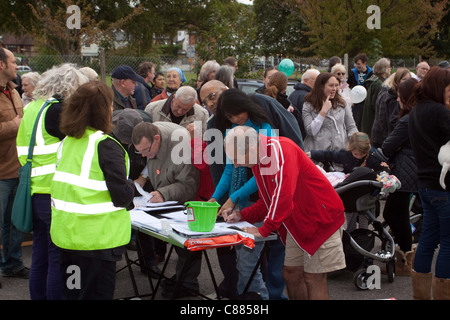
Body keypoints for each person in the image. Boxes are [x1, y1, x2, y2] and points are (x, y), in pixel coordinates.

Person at [222, 126, 346, 300]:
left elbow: (283, 196)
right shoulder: (259, 158)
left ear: (251, 149)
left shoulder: (281, 149)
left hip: (321, 219)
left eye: (236, 158)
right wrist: (243, 215)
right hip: (299, 223)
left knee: (314, 278)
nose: (235, 164)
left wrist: (263, 229)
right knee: (291, 273)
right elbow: (268, 201)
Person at [50, 81, 135, 300]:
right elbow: (122, 197)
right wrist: (133, 187)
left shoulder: (67, 142)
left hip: (67, 240)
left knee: (73, 293)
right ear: (104, 110)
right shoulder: (106, 145)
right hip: (97, 244)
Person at [16, 63, 88, 300]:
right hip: (55, 194)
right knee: (59, 257)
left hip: (35, 191)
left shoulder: (32, 108)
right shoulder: (57, 111)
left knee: (40, 255)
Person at [210, 89, 274, 300]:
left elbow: (261, 177)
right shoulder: (232, 131)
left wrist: (232, 198)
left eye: (236, 113)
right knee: (242, 263)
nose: (235, 119)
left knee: (249, 264)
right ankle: (247, 300)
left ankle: (258, 299)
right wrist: (215, 197)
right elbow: (229, 170)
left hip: (260, 203)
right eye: (229, 116)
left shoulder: (265, 130)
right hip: (241, 206)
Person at [132, 121, 200, 299]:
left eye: (147, 150)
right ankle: (184, 280)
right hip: (166, 194)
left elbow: (189, 186)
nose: (145, 155)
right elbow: (155, 166)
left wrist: (164, 193)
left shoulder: (181, 144)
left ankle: (188, 284)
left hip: (186, 200)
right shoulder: (151, 141)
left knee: (185, 240)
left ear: (156, 139)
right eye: (141, 152)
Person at [409, 66, 450, 300]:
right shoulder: (439, 112)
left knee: (428, 239)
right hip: (444, 186)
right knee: (447, 243)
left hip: (425, 184)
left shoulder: (417, 110)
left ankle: (420, 296)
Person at [381, 78, 419, 276]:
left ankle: (404, 258)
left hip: (405, 171)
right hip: (413, 170)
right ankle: (404, 255)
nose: (397, 99)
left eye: (399, 95)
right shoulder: (418, 115)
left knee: (396, 214)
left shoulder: (407, 119)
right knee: (397, 213)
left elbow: (388, 145)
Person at [0, 48, 27, 280]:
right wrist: (17, 124)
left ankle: (13, 264)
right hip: (0, 173)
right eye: (13, 61)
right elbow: (18, 124)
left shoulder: (14, 91)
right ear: (1, 65)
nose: (17, 65)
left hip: (16, 168)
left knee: (14, 222)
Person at [302, 72, 358, 170]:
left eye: (336, 85)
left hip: (338, 156)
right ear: (321, 86)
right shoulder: (308, 105)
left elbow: (351, 126)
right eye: (331, 85)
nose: (334, 89)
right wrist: (323, 111)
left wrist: (355, 144)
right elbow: (311, 131)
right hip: (317, 156)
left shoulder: (342, 103)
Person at [308, 131, 388, 174]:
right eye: (356, 154)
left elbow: (382, 170)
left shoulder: (371, 158)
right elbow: (329, 154)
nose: (359, 156)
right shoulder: (345, 154)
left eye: (362, 154)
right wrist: (312, 154)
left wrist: (385, 169)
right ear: (350, 149)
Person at [371, 68, 411, 148]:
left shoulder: (388, 92)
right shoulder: (392, 97)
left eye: (409, 80)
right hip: (384, 140)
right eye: (404, 79)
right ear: (397, 80)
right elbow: (387, 120)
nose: (407, 82)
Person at [144, 85, 209, 134]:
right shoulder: (152, 109)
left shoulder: (202, 115)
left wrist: (194, 137)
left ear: (193, 105)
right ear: (174, 97)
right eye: (178, 106)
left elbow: (202, 147)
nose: (180, 112)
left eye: (185, 109)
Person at [361, 58, 392, 136]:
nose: (390, 69)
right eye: (389, 67)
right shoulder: (379, 84)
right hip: (373, 123)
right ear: (384, 69)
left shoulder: (375, 81)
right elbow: (377, 105)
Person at [289, 68, 320, 139]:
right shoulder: (308, 97)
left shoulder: (294, 93)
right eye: (317, 81)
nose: (319, 84)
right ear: (306, 80)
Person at [347, 53, 373, 129]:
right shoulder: (353, 73)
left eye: (359, 64)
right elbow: (349, 86)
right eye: (356, 64)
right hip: (356, 102)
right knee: (357, 120)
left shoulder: (371, 73)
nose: (357, 66)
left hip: (367, 101)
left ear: (365, 63)